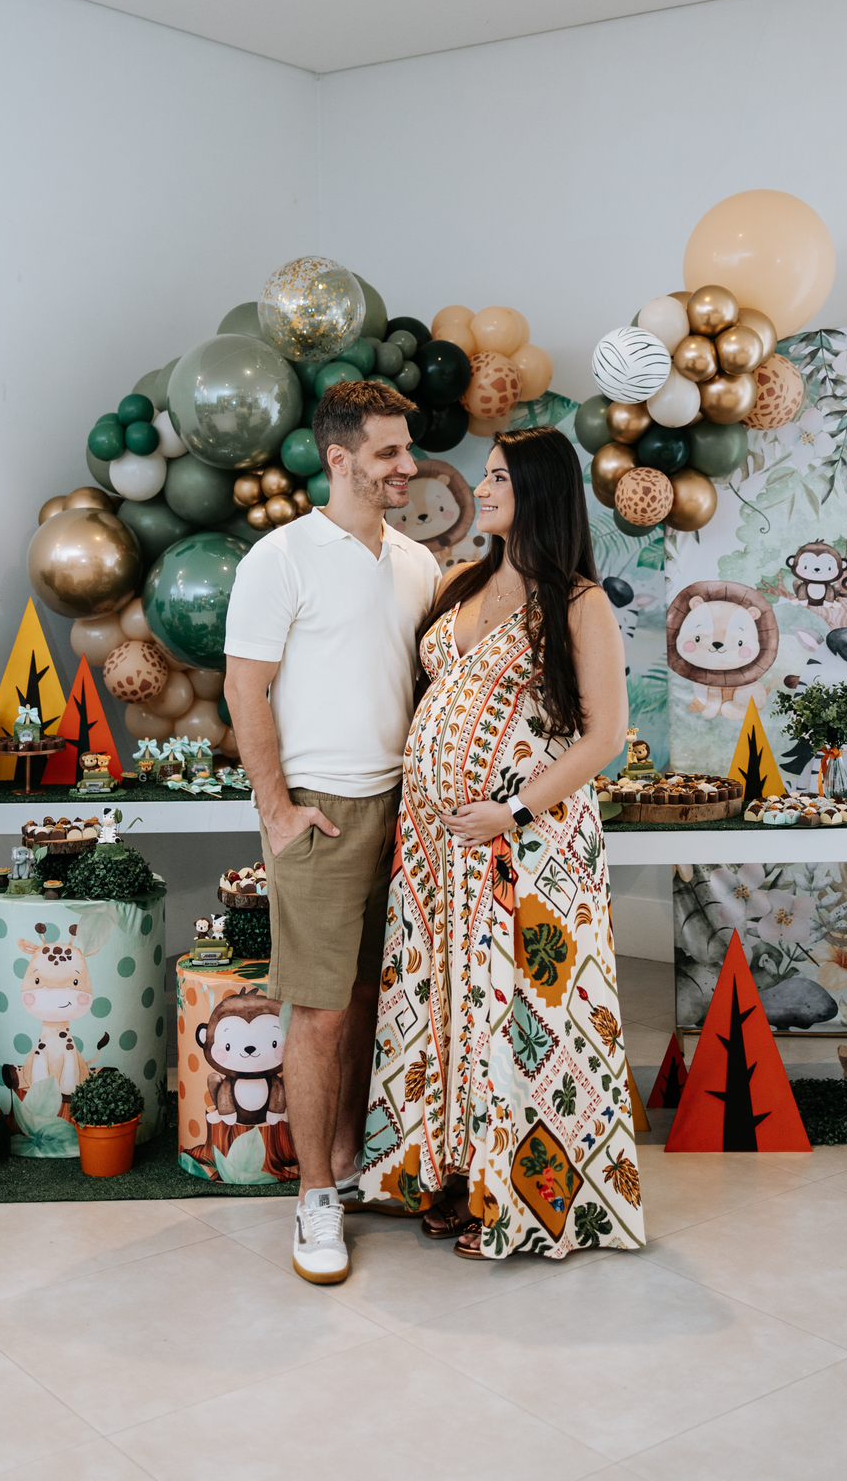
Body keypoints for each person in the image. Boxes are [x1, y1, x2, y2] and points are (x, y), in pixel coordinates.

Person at [361, 426, 646, 1259]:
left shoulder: (579, 601)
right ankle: (452, 1169)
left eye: (497, 479)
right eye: (484, 476)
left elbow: (605, 737)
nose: (481, 490)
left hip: (529, 844)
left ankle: (523, 1194)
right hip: (436, 850)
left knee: (522, 1009)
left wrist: (511, 812)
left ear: (540, 492)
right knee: (446, 999)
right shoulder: (460, 581)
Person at [224, 379, 442, 1285]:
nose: (408, 466)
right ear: (340, 458)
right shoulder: (280, 558)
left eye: (408, 449)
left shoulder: (419, 563)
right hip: (320, 806)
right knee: (315, 1014)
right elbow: (246, 688)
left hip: (408, 810)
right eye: (388, 452)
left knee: (366, 1000)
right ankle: (314, 1199)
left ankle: (349, 1165)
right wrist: (277, 811)